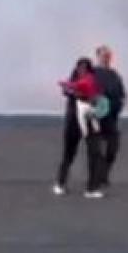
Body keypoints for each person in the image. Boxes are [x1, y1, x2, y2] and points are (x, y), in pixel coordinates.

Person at [54, 57, 107, 199]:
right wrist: (75, 91)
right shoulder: (73, 82)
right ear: (76, 69)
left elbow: (100, 97)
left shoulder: (93, 80)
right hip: (74, 121)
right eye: (80, 68)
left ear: (89, 70)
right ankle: (60, 183)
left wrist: (94, 101)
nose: (82, 71)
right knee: (69, 153)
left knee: (95, 153)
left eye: (85, 68)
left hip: (90, 119)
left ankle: (92, 188)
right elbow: (66, 90)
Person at [93, 46, 126, 187]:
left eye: (108, 56)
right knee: (96, 148)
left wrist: (120, 106)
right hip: (96, 116)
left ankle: (104, 173)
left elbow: (121, 94)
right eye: (104, 56)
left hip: (111, 117)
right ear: (98, 57)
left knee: (113, 146)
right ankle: (97, 175)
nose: (106, 58)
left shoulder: (114, 75)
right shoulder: (92, 74)